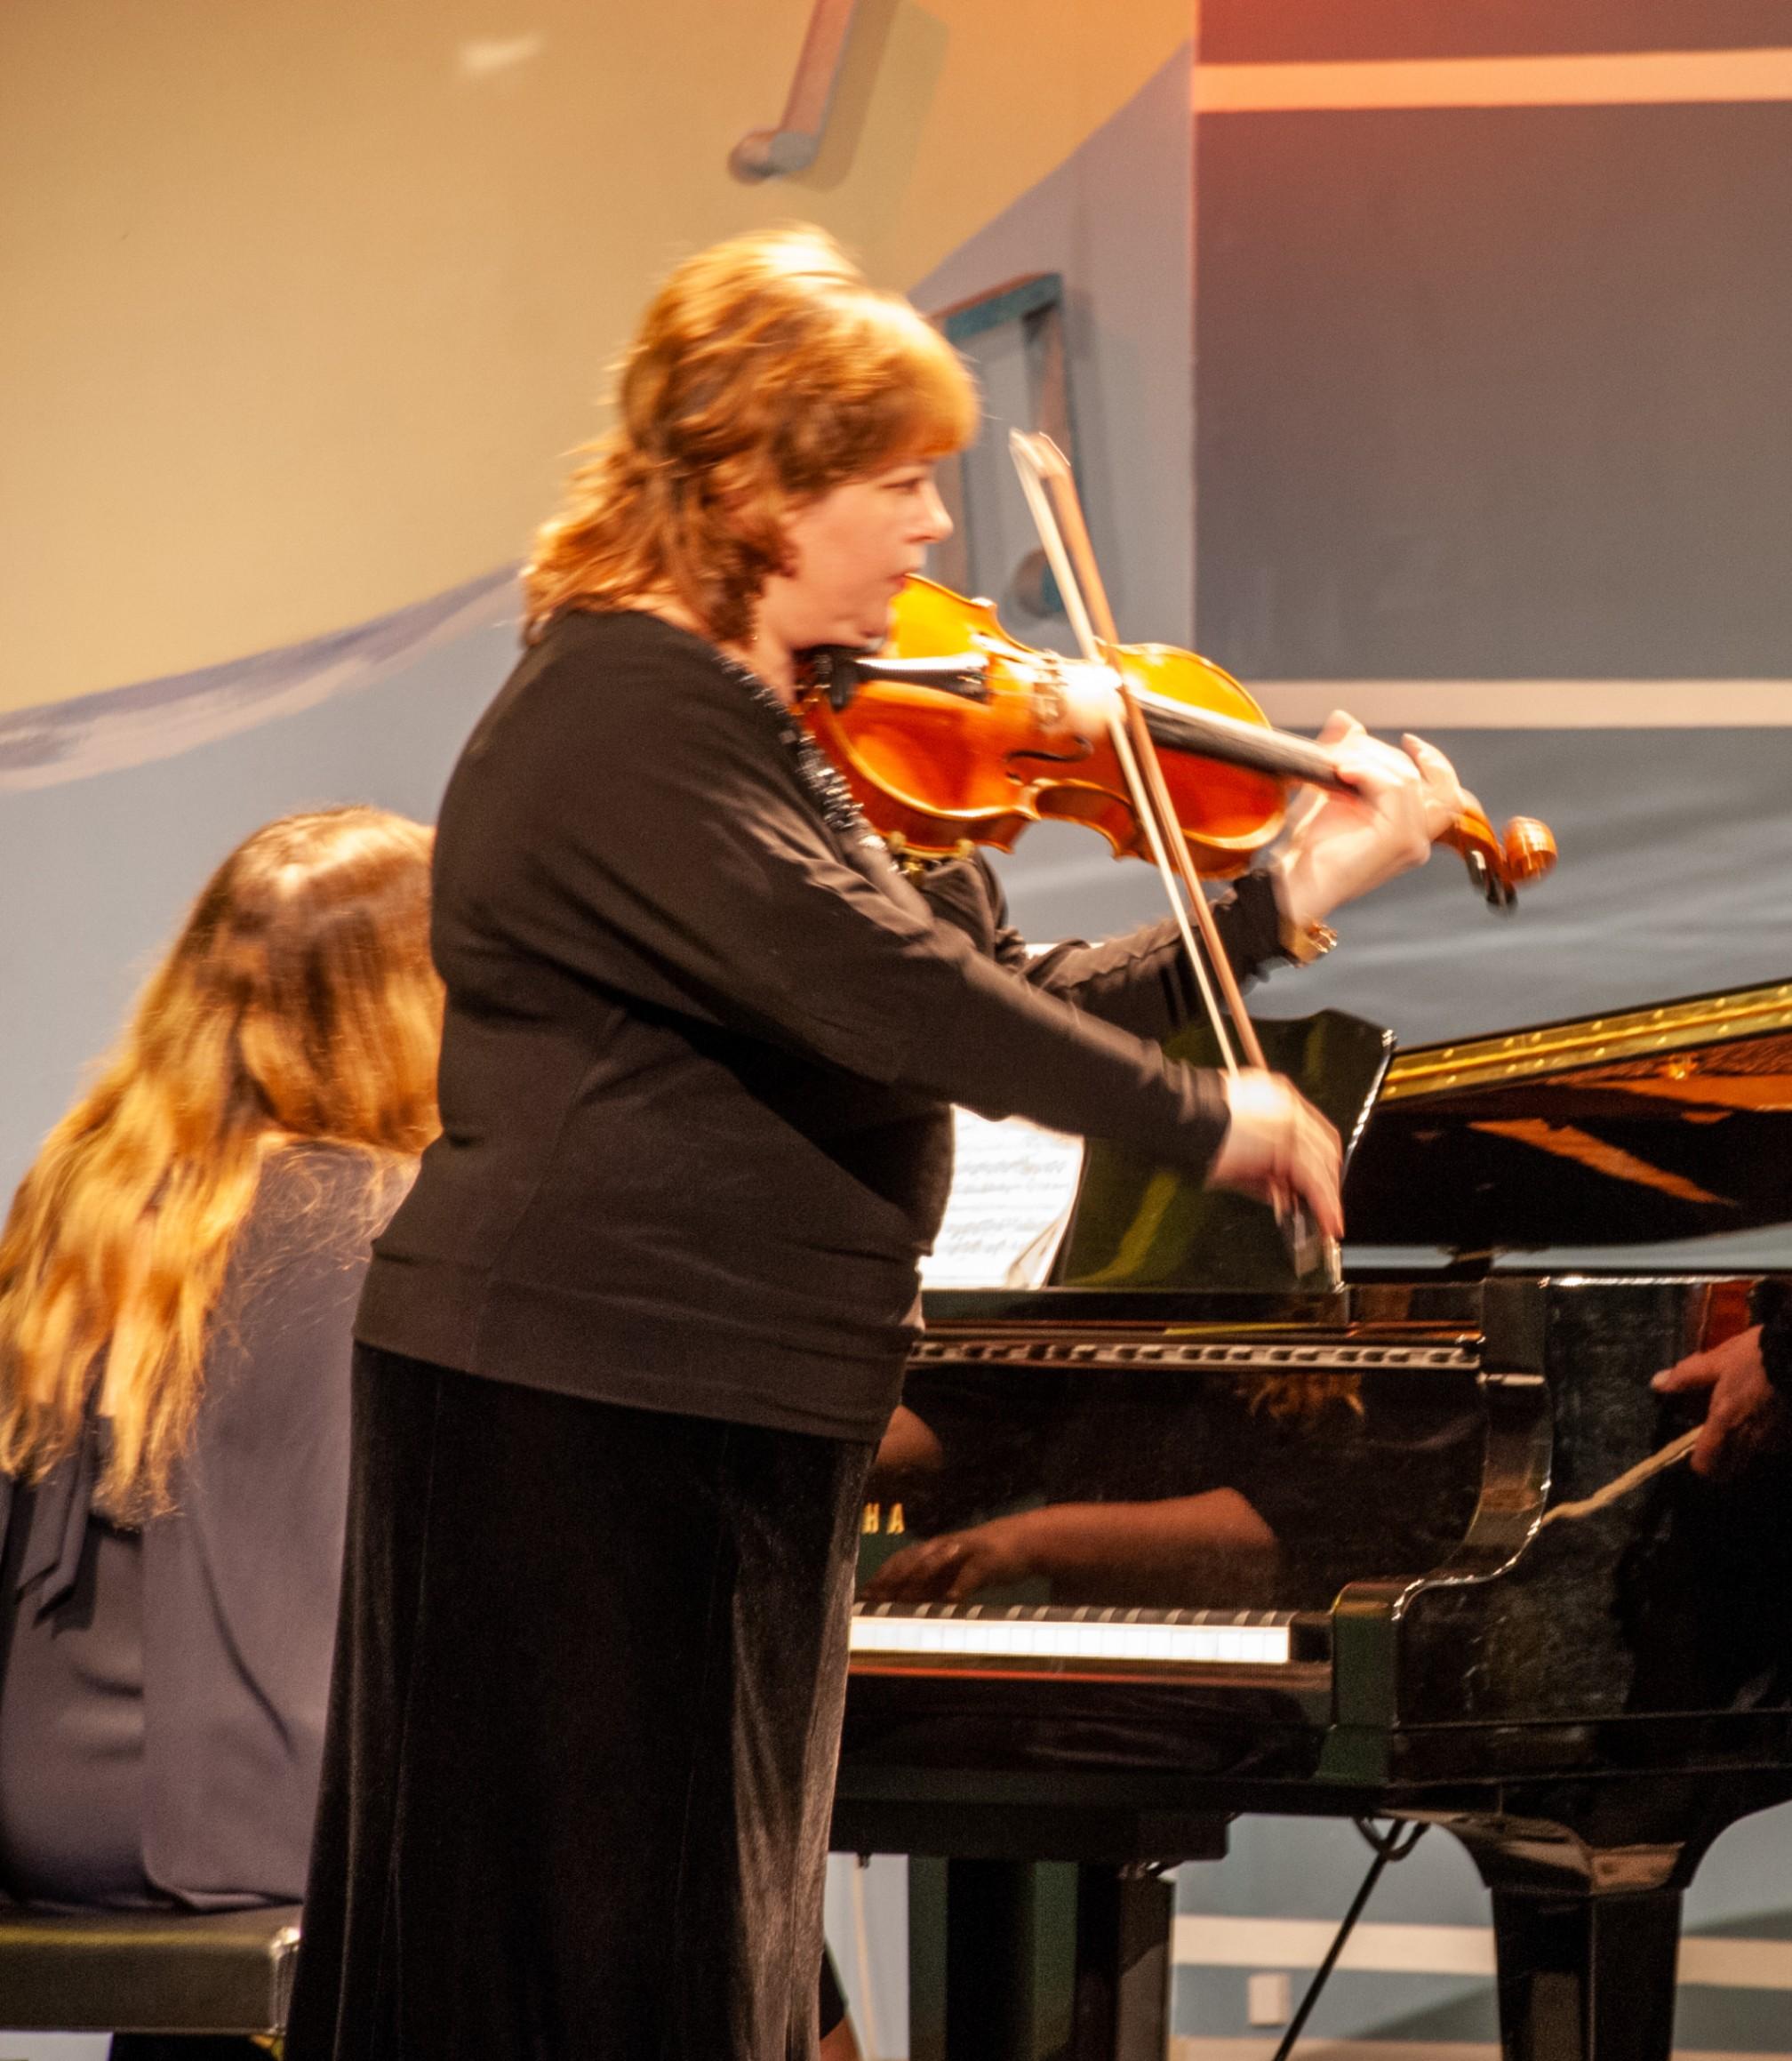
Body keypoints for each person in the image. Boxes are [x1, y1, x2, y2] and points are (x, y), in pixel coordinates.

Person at [286, 225, 1464, 2061]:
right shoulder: (625, 710)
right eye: (899, 479)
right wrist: (1196, 1115)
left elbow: (993, 988)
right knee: (598, 1952)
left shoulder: (770, 728)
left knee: (698, 1938)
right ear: (762, 483)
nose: (933, 526)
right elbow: (888, 992)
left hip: (709, 1393)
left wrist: (1278, 898)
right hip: (582, 1396)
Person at [0, 814, 436, 1988]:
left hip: (44, 1808)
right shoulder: (398, 1217)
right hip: (283, 1811)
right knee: (671, 1853)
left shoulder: (78, 1202)